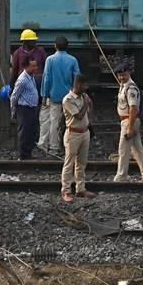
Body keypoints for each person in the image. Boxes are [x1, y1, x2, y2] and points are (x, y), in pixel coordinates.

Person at [113, 61, 143, 182]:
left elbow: (133, 109)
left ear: (128, 73)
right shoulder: (124, 85)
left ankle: (121, 176)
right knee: (137, 149)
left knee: (123, 149)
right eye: (119, 75)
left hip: (129, 121)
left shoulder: (131, 88)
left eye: (123, 74)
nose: (121, 77)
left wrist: (130, 128)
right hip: (127, 121)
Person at [60, 73, 93, 203]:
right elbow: (78, 116)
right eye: (85, 85)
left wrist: (90, 105)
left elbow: (88, 113)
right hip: (72, 134)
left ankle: (81, 189)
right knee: (69, 163)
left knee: (81, 163)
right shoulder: (68, 99)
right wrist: (86, 103)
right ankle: (66, 191)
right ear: (78, 85)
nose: (86, 88)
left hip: (85, 132)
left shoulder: (83, 96)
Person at [9, 57, 40, 160]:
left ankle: (28, 153)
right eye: (33, 66)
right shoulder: (22, 80)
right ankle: (23, 155)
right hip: (24, 108)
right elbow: (14, 96)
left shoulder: (31, 77)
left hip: (31, 108)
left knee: (31, 131)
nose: (36, 68)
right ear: (26, 66)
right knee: (24, 131)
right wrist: (13, 111)